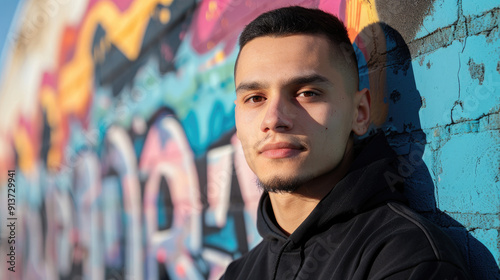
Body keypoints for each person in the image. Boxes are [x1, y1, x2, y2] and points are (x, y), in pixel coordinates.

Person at [221, 6, 471, 280]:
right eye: (255, 98)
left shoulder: (407, 259)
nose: (274, 119)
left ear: (360, 113)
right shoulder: (237, 273)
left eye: (307, 93)